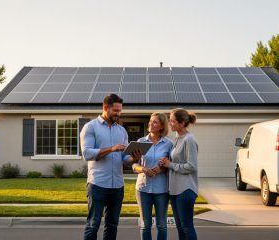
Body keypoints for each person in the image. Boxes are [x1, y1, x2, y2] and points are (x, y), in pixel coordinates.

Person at [80, 93, 141, 240]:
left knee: (112, 225)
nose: (118, 114)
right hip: (98, 184)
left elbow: (124, 158)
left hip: (117, 186)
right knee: (93, 224)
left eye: (120, 111)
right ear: (105, 107)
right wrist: (111, 149)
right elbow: (87, 154)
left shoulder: (122, 131)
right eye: (115, 111)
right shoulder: (90, 127)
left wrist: (133, 158)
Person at [159, 108, 198, 240]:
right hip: (175, 191)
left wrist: (170, 165)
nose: (169, 123)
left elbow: (192, 166)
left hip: (185, 190)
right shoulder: (177, 138)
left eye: (172, 121)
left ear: (182, 123)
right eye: (169, 120)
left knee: (187, 226)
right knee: (180, 227)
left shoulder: (189, 139)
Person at [133, 112, 173, 240]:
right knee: (145, 225)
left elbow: (172, 165)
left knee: (162, 225)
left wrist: (162, 169)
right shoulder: (140, 142)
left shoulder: (169, 144)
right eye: (150, 121)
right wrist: (143, 169)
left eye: (155, 122)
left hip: (162, 190)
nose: (151, 124)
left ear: (162, 126)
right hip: (143, 189)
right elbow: (134, 165)